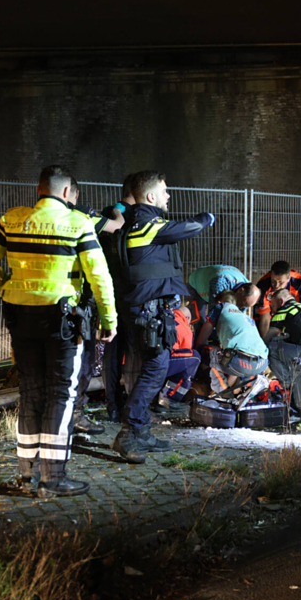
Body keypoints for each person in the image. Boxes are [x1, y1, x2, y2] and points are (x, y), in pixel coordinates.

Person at [0, 165, 116, 497]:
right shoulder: (77, 223)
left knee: (31, 393)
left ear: (40, 190)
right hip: (61, 322)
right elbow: (99, 276)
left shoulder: (13, 220)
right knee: (61, 394)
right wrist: (109, 320)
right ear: (66, 193)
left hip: (20, 318)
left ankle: (26, 476)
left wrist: (5, 284)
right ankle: (53, 478)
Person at [113, 170, 214, 463]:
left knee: (151, 368)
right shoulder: (146, 225)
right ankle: (129, 432)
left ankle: (141, 432)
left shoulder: (136, 223)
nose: (168, 196)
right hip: (148, 311)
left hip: (148, 310)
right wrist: (207, 217)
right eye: (165, 191)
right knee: (156, 369)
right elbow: (188, 227)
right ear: (150, 196)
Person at [67, 176, 125, 436]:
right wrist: (119, 209)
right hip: (80, 304)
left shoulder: (32, 220)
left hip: (41, 302)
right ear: (73, 194)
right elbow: (116, 226)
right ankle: (75, 414)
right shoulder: (82, 217)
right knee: (85, 360)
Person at [98, 174, 137, 424]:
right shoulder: (119, 215)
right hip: (124, 294)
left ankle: (116, 404)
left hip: (115, 294)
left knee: (115, 353)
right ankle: (128, 406)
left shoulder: (110, 214)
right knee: (128, 352)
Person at [208, 291, 270, 395]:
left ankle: (217, 392)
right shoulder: (244, 317)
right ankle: (230, 391)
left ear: (218, 302)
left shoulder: (221, 307)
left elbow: (205, 332)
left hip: (240, 361)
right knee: (233, 358)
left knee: (209, 354)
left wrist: (198, 347)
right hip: (262, 364)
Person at [189, 265, 260, 349]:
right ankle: (200, 351)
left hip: (217, 285)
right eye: (242, 303)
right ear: (241, 290)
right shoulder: (220, 283)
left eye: (246, 306)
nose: (241, 307)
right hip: (197, 283)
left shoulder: (248, 292)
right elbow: (214, 316)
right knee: (200, 321)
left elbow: (234, 318)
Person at [254, 260, 301, 337]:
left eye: (281, 282)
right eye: (273, 281)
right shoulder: (263, 286)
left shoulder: (299, 283)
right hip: (272, 311)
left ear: (288, 279)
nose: (277, 285)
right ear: (271, 275)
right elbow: (265, 319)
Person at [157, 304, 200, 415]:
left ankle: (161, 397)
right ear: (188, 318)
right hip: (165, 361)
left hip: (153, 359)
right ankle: (170, 398)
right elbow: (185, 356)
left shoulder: (165, 318)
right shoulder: (185, 328)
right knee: (194, 358)